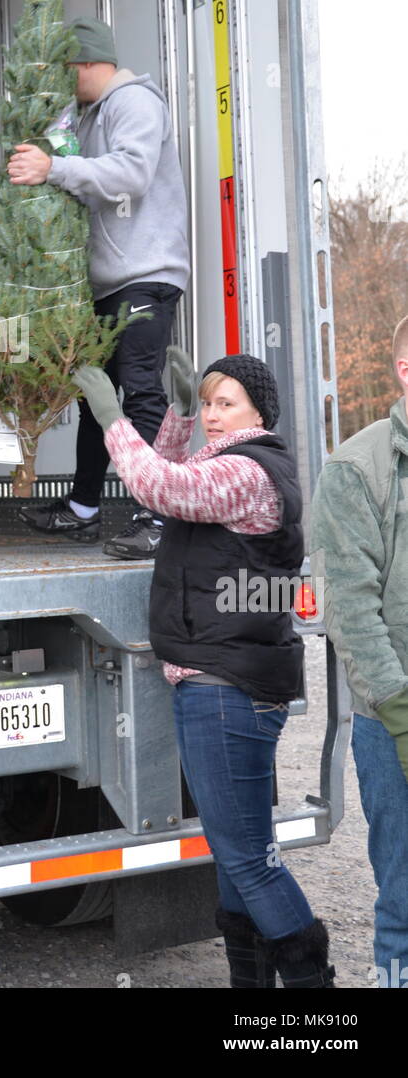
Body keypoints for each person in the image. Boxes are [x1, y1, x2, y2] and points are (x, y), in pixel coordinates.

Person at [73, 349, 335, 988]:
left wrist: (112, 419)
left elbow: (159, 487)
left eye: (226, 404)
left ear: (257, 412)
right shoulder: (230, 464)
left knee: (249, 860)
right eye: (210, 403)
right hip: (221, 680)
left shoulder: (248, 473)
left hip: (228, 689)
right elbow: (172, 475)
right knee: (235, 856)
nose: (215, 417)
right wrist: (180, 413)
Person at [11, 17, 190, 559]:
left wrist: (55, 168)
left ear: (88, 63)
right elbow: (73, 164)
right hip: (109, 282)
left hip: (146, 274)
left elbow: (131, 174)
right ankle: (84, 509)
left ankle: (160, 515)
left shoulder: (135, 104)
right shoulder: (88, 117)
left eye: (68, 72)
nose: (65, 84)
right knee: (96, 396)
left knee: (139, 391)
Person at [311, 314, 408, 988]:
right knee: (405, 899)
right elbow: (351, 606)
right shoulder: (358, 469)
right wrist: (401, 716)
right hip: (393, 723)